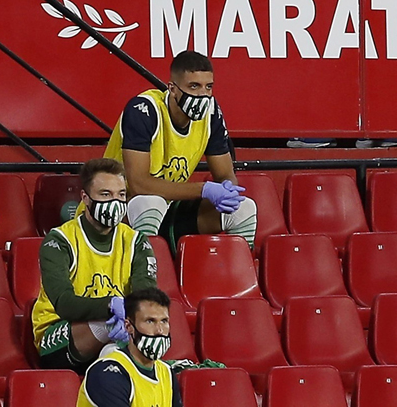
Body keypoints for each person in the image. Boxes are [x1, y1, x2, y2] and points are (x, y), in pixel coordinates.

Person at [106, 51, 255, 246]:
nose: (202, 95)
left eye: (208, 87)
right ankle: (147, 270)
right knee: (151, 203)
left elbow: (225, 173)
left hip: (168, 208)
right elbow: (138, 185)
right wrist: (204, 189)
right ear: (172, 89)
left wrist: (227, 188)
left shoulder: (211, 113)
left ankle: (238, 272)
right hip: (118, 208)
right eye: (194, 86)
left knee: (244, 208)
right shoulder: (144, 109)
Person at [32, 159, 159, 373]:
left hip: (121, 330)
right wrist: (111, 305)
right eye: (105, 194)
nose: (115, 202)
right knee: (110, 327)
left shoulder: (136, 241)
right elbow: (64, 304)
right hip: (59, 332)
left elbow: (145, 297)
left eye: (121, 195)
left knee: (122, 349)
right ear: (85, 198)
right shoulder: (59, 241)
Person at [77, 287, 179, 407]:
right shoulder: (107, 373)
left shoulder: (167, 373)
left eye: (164, 321)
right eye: (150, 321)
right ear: (129, 326)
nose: (159, 330)